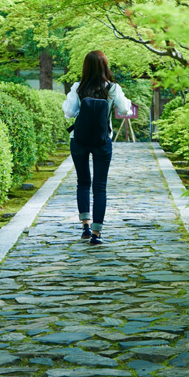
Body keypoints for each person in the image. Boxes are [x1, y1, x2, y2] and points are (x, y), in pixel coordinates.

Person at [62, 50, 132, 245]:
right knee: (100, 187)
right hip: (102, 141)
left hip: (79, 139)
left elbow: (69, 113)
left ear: (85, 67)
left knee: (83, 182)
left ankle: (84, 227)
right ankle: (96, 234)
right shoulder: (112, 88)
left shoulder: (78, 87)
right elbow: (125, 109)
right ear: (105, 67)